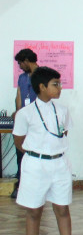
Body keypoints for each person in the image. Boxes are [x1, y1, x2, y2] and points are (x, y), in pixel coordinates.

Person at [12, 66, 82, 235]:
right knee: (34, 211)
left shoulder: (62, 110)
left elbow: (64, 132)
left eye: (60, 83)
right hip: (35, 165)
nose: (60, 88)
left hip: (59, 163)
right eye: (55, 84)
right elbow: (18, 142)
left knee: (62, 208)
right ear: (41, 87)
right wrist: (38, 154)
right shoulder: (25, 114)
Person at [11, 48, 38, 199]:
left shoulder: (42, 75)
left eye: (21, 63)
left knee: (35, 152)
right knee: (20, 151)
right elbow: (19, 97)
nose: (20, 66)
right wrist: (18, 113)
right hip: (23, 120)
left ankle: (36, 185)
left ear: (27, 61)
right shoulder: (22, 78)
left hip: (36, 121)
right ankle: (21, 183)